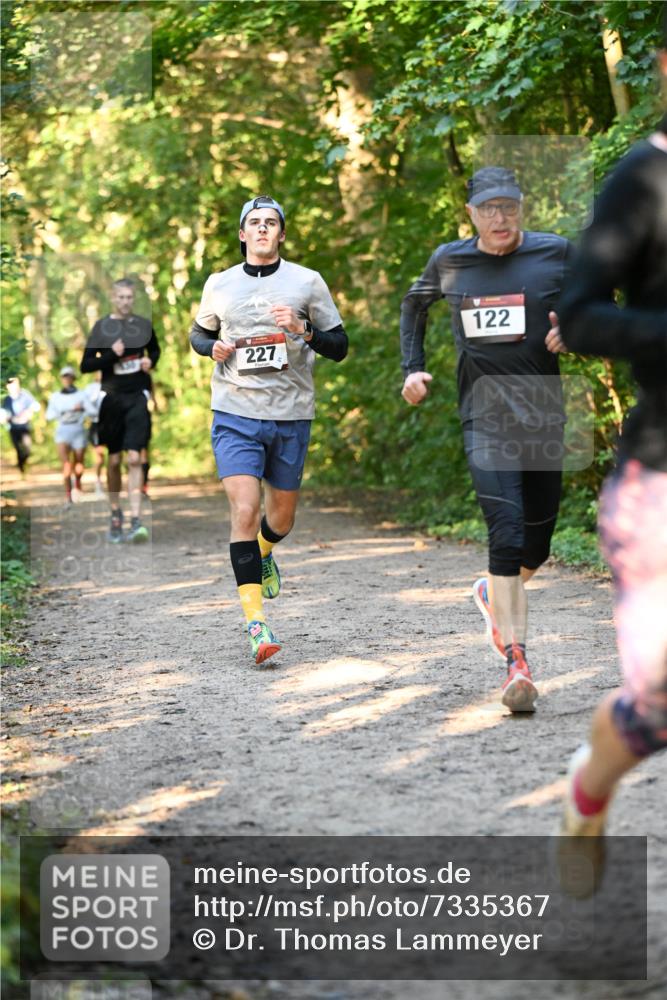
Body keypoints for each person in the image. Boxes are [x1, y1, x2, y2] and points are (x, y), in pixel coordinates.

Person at [400, 167, 573, 712]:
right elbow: (414, 304)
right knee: (506, 531)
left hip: (544, 417)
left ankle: (489, 592)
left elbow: (597, 302)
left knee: (538, 544)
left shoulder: (557, 254)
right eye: (488, 209)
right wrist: (413, 368)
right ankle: (517, 663)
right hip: (486, 418)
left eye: (509, 207)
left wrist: (575, 327)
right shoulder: (450, 261)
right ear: (471, 213)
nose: (500, 218)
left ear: (522, 208)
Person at [555, 32, 667, 854]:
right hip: (660, 472)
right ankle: (587, 795)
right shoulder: (643, 178)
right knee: (658, 700)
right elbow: (581, 312)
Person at [190, 195, 348, 664]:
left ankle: (265, 550)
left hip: (291, 414)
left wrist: (305, 329)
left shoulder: (307, 281)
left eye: (271, 223)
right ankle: (256, 624)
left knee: (280, 520)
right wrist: (211, 348)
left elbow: (339, 345)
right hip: (235, 412)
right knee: (244, 509)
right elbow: (198, 333)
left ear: (281, 234)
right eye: (254, 223)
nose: (262, 229)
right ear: (242, 234)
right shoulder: (219, 284)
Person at [80, 277, 160, 543]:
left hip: (137, 397)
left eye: (129, 297)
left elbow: (156, 352)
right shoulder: (102, 327)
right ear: (113, 298)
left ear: (133, 298)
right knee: (113, 461)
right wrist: (111, 355)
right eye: (121, 297)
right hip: (112, 399)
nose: (125, 301)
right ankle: (116, 513)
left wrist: (151, 361)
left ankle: (136, 519)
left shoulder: (143, 325)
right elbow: (86, 365)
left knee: (135, 458)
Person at [45, 365, 88, 504]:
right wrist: (66, 410)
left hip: (78, 429)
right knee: (66, 464)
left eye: (69, 376)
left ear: (73, 378)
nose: (67, 379)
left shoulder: (81, 394)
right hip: (63, 430)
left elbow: (92, 411)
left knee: (79, 462)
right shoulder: (56, 396)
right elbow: (49, 415)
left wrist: (82, 410)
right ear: (61, 379)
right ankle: (68, 495)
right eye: (65, 376)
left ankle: (78, 484)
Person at [1, 377, 40, 475]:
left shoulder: (25, 395)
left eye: (13, 383)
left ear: (18, 384)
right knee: (18, 448)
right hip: (13, 428)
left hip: (24, 426)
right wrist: (5, 419)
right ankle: (21, 467)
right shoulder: (7, 400)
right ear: (7, 386)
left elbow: (35, 405)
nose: (12, 385)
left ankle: (24, 463)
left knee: (27, 448)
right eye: (10, 384)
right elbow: (3, 414)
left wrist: (29, 411)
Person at [82, 372, 106, 496]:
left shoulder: (113, 384)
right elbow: (85, 405)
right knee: (99, 457)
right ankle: (98, 484)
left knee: (116, 457)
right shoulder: (90, 388)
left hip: (113, 424)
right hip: (97, 424)